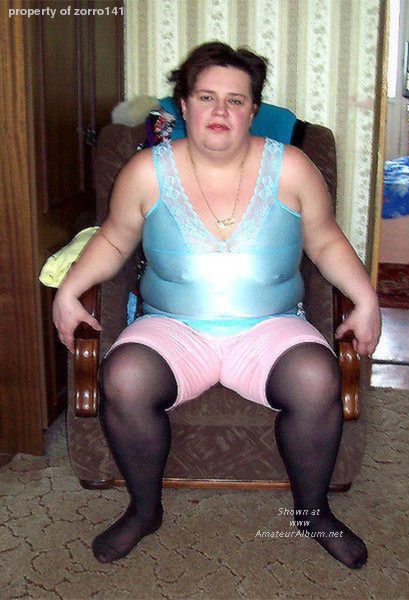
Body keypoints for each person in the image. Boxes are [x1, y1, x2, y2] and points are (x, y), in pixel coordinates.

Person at [53, 41, 381, 569]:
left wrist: (366, 299)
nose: (220, 111)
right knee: (125, 377)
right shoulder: (145, 171)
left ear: (253, 110)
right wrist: (70, 291)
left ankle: (312, 512)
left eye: (236, 99)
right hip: (173, 327)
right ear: (184, 105)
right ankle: (143, 509)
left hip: (270, 327)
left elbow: (325, 242)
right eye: (206, 97)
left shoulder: (293, 167)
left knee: (317, 378)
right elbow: (114, 239)